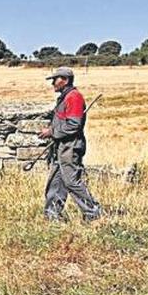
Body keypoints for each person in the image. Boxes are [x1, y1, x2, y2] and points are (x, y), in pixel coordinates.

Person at [39, 66, 101, 222]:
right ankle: (53, 215)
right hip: (62, 146)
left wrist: (51, 132)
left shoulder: (74, 97)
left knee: (71, 182)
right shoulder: (66, 97)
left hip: (70, 146)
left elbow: (74, 125)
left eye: (55, 79)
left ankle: (92, 212)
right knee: (55, 181)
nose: (53, 83)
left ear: (65, 80)